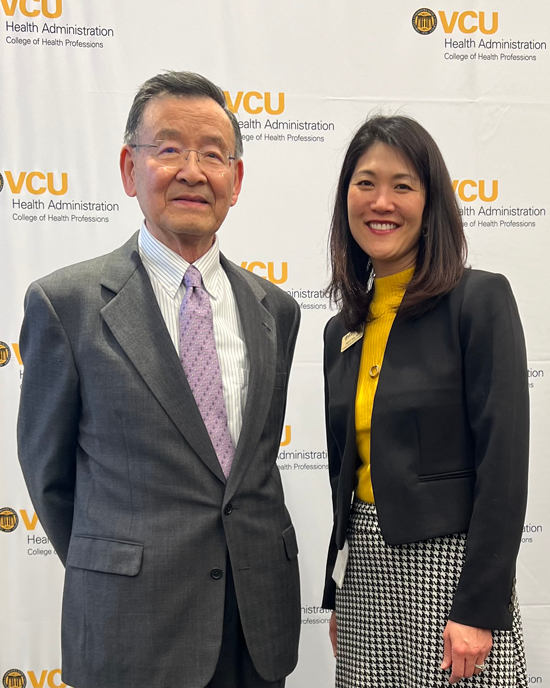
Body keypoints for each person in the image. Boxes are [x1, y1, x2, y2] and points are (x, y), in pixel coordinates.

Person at [17, 71, 301, 688]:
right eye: (169, 149)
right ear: (129, 168)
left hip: (257, 628)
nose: (193, 171)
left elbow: (253, 464)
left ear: (237, 179)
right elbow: (50, 476)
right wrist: (121, 565)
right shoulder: (66, 305)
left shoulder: (275, 309)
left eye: (213, 155)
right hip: (131, 628)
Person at [322, 115, 528, 687]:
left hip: (450, 579)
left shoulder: (478, 300)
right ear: (346, 200)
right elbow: (346, 476)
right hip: (365, 572)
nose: (381, 201)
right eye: (364, 183)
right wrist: (338, 591)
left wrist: (478, 608)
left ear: (430, 201)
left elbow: (503, 467)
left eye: (402, 185)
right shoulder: (342, 328)